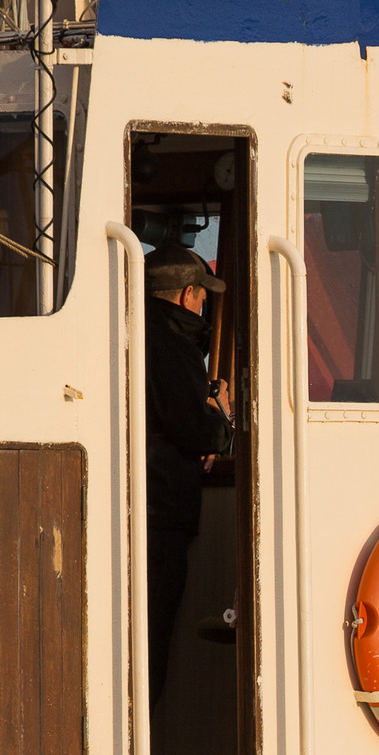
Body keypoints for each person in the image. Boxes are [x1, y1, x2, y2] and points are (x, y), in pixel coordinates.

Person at [144, 243, 232, 711]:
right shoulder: (173, 346)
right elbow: (194, 429)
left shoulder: (131, 331)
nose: (203, 307)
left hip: (139, 508)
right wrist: (220, 416)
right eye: (202, 297)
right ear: (186, 296)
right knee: (152, 640)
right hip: (161, 515)